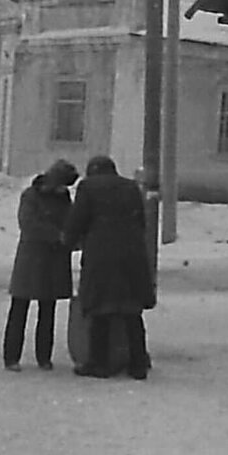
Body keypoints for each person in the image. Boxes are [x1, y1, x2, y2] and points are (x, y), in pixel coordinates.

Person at [62, 154, 154, 379]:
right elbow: (141, 220)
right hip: (132, 254)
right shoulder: (131, 187)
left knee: (100, 309)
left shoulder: (88, 187)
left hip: (101, 254)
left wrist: (68, 240)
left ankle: (99, 362)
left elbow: (78, 219)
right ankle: (138, 363)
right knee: (132, 310)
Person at [2, 159, 79, 371]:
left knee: (48, 310)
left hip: (53, 259)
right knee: (20, 308)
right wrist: (59, 236)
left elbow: (70, 221)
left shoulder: (63, 198)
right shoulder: (30, 195)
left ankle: (43, 356)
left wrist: (72, 238)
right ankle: (11, 357)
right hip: (32, 257)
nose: (64, 189)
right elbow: (28, 224)